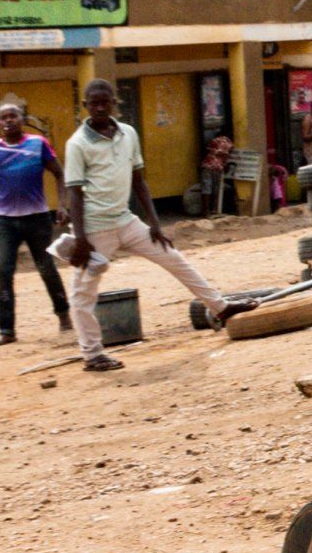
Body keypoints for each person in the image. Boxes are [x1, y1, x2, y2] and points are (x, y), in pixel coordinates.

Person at [65, 79, 258, 372]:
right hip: (94, 228)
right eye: (95, 103)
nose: (101, 107)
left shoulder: (128, 133)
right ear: (85, 106)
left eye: (106, 102)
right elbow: (74, 194)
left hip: (125, 220)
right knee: (83, 292)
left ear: (115, 103)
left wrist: (154, 223)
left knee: (174, 258)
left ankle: (220, 307)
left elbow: (139, 180)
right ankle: (92, 354)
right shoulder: (77, 144)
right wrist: (81, 239)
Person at [0, 103, 72, 346]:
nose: (8, 121)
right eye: (3, 118)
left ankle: (63, 315)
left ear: (22, 119)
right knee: (2, 271)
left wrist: (63, 204)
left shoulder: (38, 144)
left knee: (46, 268)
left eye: (13, 116)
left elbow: (59, 173)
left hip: (37, 219)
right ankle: (7, 330)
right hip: (5, 221)